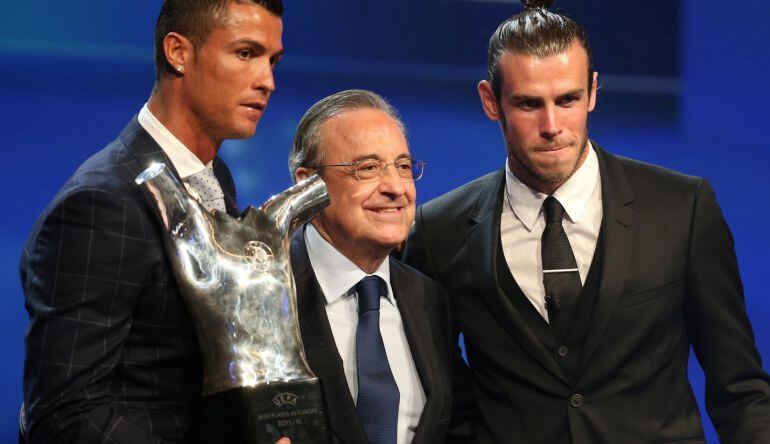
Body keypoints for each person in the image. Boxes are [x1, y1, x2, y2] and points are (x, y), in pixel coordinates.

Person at [401, 1, 770, 442]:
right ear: (490, 101)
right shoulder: (439, 231)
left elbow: (740, 388)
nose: (552, 125)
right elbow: (439, 400)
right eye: (528, 103)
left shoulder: (682, 208)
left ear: (593, 91)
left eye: (568, 99)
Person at [20, 0, 284, 442]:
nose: (267, 81)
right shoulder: (101, 203)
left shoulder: (214, 177)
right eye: (246, 53)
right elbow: (64, 415)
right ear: (178, 52)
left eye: (272, 60)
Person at [288, 89, 474, 443]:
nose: (395, 187)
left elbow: (457, 423)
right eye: (368, 168)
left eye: (403, 166)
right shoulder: (263, 292)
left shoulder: (429, 298)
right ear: (308, 184)